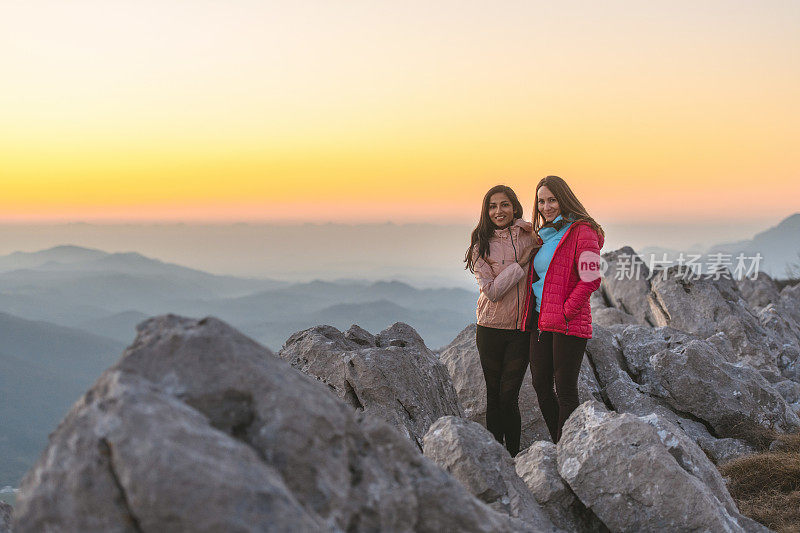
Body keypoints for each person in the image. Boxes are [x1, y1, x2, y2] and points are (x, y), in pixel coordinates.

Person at [521, 175, 605, 443]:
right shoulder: (544, 235)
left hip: (569, 321)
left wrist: (566, 311)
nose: (546, 207)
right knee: (541, 386)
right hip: (540, 319)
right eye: (541, 201)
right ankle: (562, 442)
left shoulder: (584, 231)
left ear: (564, 199)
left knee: (566, 389)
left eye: (552, 200)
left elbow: (591, 279)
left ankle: (568, 449)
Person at [464, 185, 539, 456]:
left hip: (521, 328)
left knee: (510, 398)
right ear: (486, 211)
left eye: (505, 204)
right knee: (494, 397)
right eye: (493, 206)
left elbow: (549, 243)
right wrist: (520, 265)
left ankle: (515, 457)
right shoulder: (481, 245)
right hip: (490, 328)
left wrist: (526, 228)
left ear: (514, 207)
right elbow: (493, 291)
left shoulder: (529, 236)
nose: (499, 211)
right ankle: (497, 459)